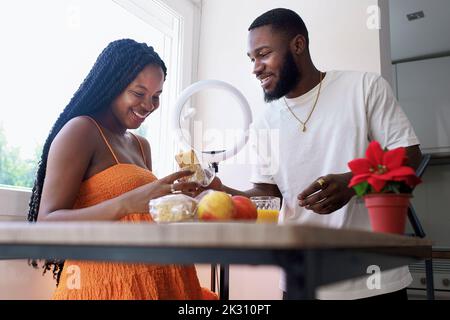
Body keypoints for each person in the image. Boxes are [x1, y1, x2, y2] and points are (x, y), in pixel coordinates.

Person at [209, 8, 422, 300]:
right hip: (301, 280)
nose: (255, 67)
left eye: (263, 54)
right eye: (252, 59)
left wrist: (352, 183)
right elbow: (268, 195)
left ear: (298, 45)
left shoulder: (364, 87)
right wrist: (218, 192)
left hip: (375, 279)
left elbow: (409, 156)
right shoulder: (264, 122)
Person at [28, 39, 217, 300]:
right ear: (112, 86)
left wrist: (181, 202)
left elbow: (141, 218)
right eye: (139, 94)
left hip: (164, 281)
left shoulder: (141, 145)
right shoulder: (81, 131)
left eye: (156, 97)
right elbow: (45, 225)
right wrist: (127, 203)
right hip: (108, 287)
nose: (149, 106)